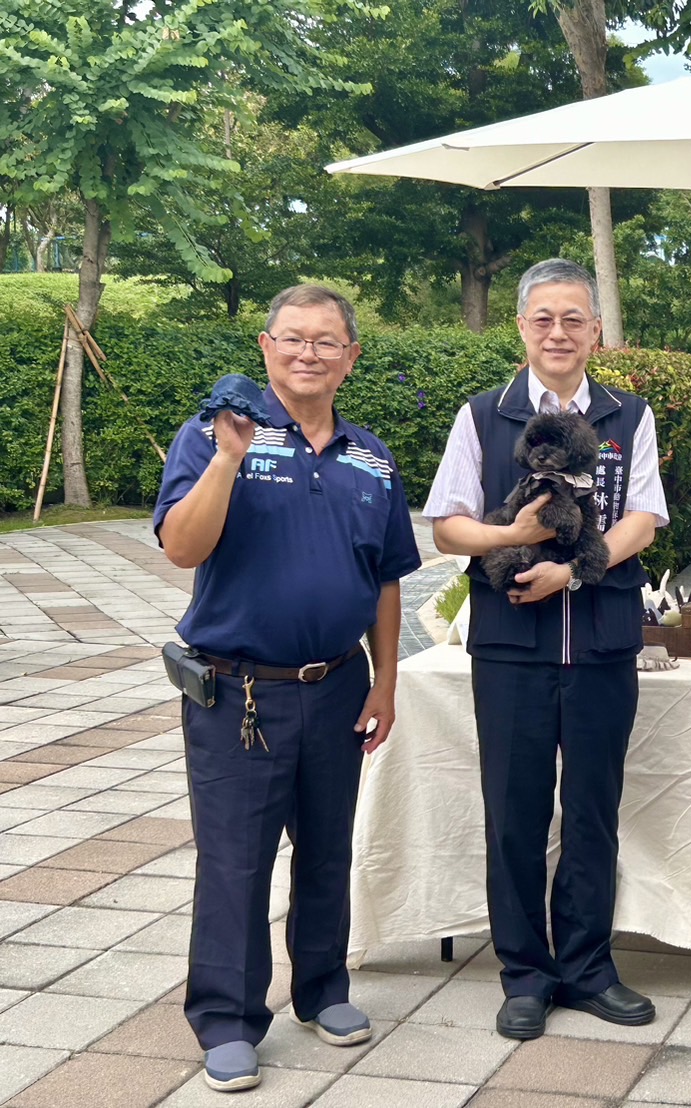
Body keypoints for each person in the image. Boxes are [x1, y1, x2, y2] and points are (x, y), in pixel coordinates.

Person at [155, 285, 421, 1092]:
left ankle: (322, 989)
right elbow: (180, 547)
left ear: (351, 357)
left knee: (328, 849)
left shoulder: (371, 457)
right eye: (293, 339)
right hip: (240, 694)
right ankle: (229, 1019)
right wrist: (232, 459)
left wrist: (385, 682)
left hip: (338, 687)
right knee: (235, 862)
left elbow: (385, 579)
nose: (309, 353)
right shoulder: (214, 437)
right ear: (266, 347)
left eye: (327, 341)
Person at [423, 258, 668, 1041]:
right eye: (543, 319)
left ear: (595, 331)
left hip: (599, 640)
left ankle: (589, 967)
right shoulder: (482, 415)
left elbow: (642, 519)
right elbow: (448, 524)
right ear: (521, 327)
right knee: (514, 814)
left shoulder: (628, 415)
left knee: (593, 812)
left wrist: (573, 569)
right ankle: (525, 973)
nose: (558, 332)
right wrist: (515, 538)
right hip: (510, 646)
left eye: (574, 319)